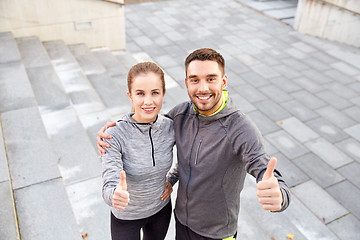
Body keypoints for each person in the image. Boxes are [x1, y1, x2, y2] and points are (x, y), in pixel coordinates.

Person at [98, 48, 290, 240]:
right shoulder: (180, 115)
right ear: (187, 83)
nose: (203, 88)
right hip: (181, 222)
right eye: (195, 79)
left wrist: (279, 195)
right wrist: (111, 134)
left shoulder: (241, 128)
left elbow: (263, 166)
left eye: (211, 79)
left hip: (217, 233)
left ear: (223, 82)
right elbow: (148, 126)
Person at [101, 62, 175, 240]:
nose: (148, 101)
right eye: (140, 93)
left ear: (163, 94)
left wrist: (173, 178)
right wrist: (115, 195)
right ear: (130, 96)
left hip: (161, 210)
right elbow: (108, 184)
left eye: (155, 93)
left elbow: (193, 150)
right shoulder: (114, 135)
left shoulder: (171, 126)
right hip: (126, 217)